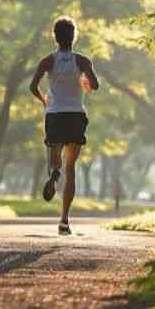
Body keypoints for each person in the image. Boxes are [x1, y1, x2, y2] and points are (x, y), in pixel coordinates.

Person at [29, 16, 99, 235]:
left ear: (56, 37)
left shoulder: (48, 61)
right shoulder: (83, 61)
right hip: (75, 116)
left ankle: (54, 173)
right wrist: (85, 83)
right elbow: (95, 85)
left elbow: (32, 86)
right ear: (74, 36)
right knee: (72, 168)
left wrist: (44, 100)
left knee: (54, 160)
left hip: (55, 115)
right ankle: (64, 220)